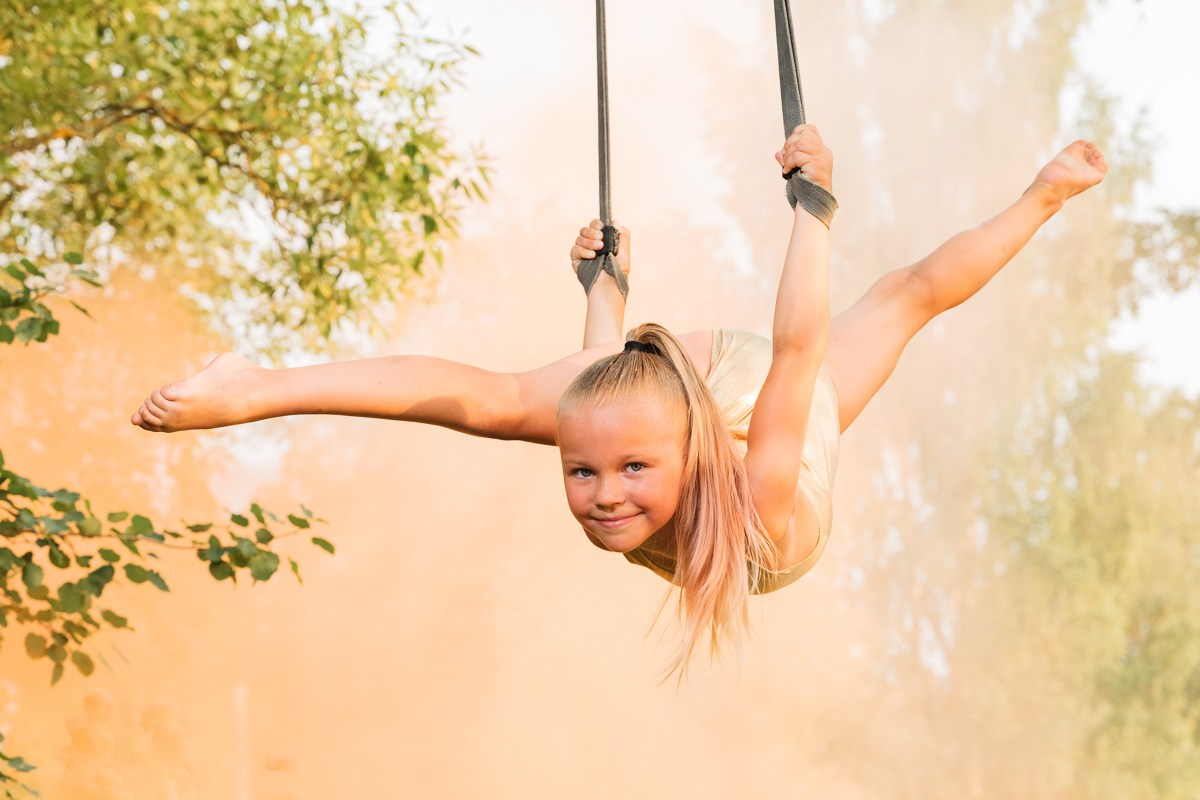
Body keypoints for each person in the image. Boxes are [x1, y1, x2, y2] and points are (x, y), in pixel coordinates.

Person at [131, 126, 1107, 674]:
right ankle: (256, 387)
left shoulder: (661, 455)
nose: (599, 495)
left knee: (513, 401)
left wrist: (607, 294)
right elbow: (799, 351)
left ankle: (251, 389)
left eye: (617, 470)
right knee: (902, 300)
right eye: (586, 472)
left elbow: (772, 354)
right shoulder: (764, 503)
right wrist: (813, 207)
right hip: (783, 412)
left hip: (734, 401)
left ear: (675, 441)